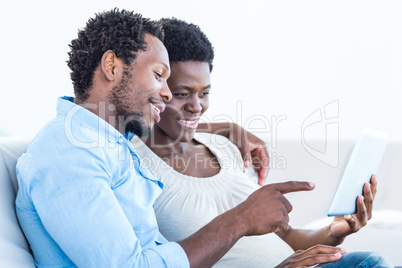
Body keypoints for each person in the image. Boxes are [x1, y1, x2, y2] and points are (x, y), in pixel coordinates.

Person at [15, 9, 318, 268]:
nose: (166, 92)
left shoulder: (109, 144)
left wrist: (224, 128)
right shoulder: (68, 151)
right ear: (112, 67)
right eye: (159, 75)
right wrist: (241, 219)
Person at [131, 18, 394, 267]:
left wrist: (335, 232)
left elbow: (285, 239)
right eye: (181, 94)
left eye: (205, 93)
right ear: (156, 85)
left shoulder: (225, 148)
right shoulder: (133, 166)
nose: (197, 106)